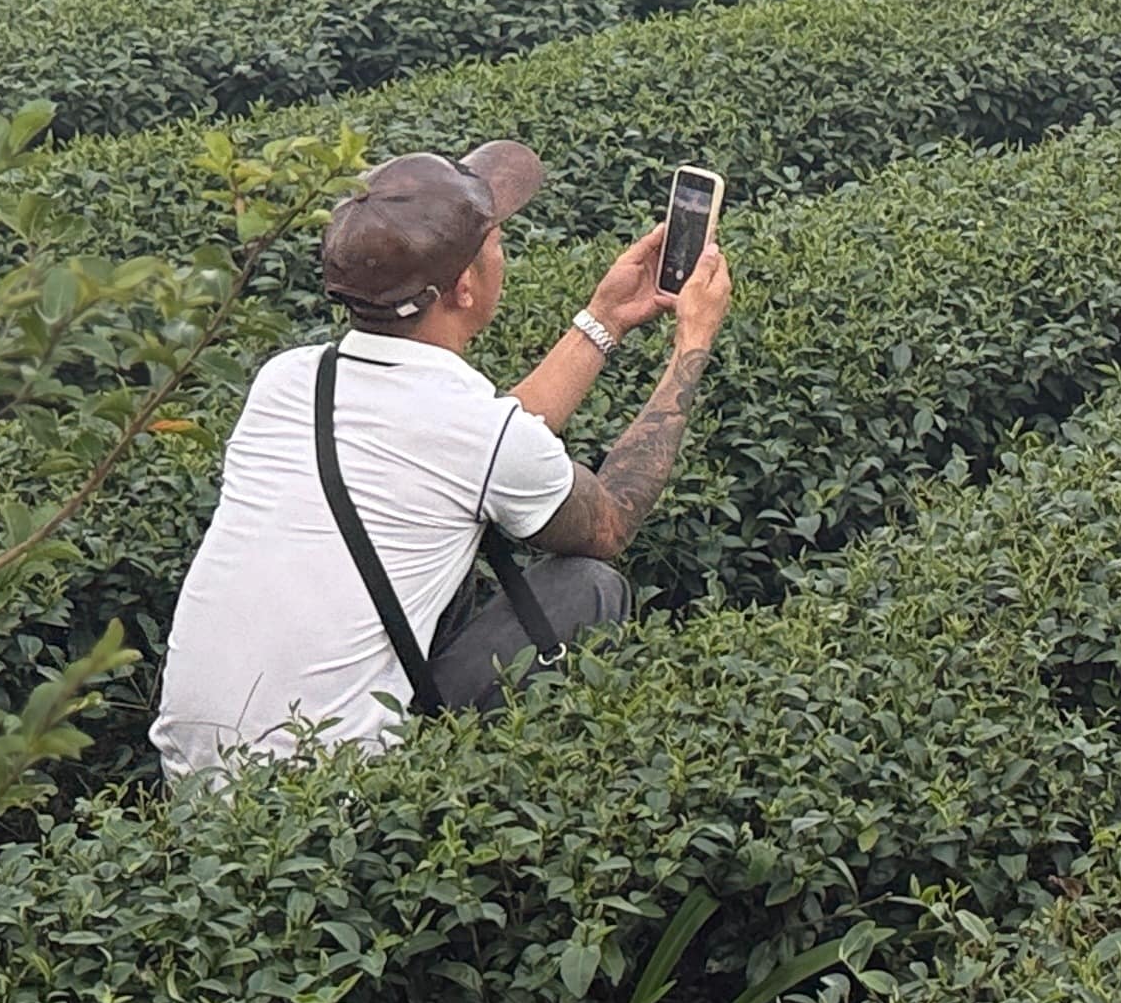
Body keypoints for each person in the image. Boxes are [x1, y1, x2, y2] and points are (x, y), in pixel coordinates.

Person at [149, 139, 735, 779]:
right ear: (462, 289)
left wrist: (605, 318)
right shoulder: (473, 433)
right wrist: (692, 346)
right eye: (497, 245)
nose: (502, 255)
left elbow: (473, 444)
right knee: (585, 588)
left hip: (194, 775)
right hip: (329, 794)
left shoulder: (287, 380)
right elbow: (609, 521)